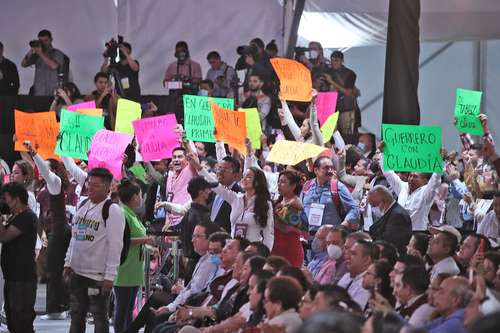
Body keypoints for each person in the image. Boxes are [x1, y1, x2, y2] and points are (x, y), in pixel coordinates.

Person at [63, 167, 126, 333]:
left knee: (99, 317)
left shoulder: (112, 210)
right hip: (77, 272)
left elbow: (115, 245)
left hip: (97, 276)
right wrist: (68, 262)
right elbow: (74, 237)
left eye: (95, 185)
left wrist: (110, 275)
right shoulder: (83, 205)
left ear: (107, 187)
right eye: (89, 184)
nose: (90, 188)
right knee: (76, 315)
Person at [26, 141, 72, 320]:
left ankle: (57, 309)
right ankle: (58, 307)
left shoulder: (55, 182)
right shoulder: (45, 185)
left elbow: (45, 171)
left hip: (59, 230)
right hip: (52, 230)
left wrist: (33, 153)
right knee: (52, 269)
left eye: (46, 165)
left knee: (54, 269)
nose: (41, 168)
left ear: (52, 169)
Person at [190, 153, 274, 250]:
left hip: (252, 252)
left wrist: (265, 254)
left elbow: (269, 235)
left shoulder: (265, 204)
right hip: (233, 250)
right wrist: (198, 167)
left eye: (249, 177)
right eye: (244, 176)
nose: (244, 179)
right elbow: (216, 186)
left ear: (258, 181)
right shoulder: (235, 198)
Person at [114, 179, 155, 333]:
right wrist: (146, 240)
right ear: (133, 197)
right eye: (140, 195)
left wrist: (147, 245)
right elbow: (121, 240)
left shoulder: (131, 214)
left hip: (134, 267)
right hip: (124, 267)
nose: (142, 198)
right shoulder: (123, 213)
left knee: (129, 308)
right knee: (122, 309)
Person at [0, 182, 38, 333]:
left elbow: (4, 237)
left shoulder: (27, 217)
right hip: (13, 277)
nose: (4, 202)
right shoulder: (16, 216)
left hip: (22, 279)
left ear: (16, 199)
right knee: (13, 322)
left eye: (6, 198)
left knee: (21, 323)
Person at [379, 143, 442, 231]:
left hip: (417, 233)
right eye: (410, 176)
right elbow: (388, 173)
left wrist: (440, 160)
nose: (411, 179)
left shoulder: (427, 192)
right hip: (398, 231)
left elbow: (435, 180)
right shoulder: (403, 187)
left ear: (425, 181)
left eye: (415, 176)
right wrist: (383, 153)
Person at [301, 156, 359, 229]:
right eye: (326, 168)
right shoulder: (307, 186)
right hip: (309, 236)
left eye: (331, 167)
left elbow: (353, 209)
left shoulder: (338, 187)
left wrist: (342, 226)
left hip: (330, 237)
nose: (330, 170)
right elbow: (301, 209)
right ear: (316, 170)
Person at [323, 50, 360, 143]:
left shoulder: (350, 74)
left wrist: (331, 82)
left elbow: (348, 92)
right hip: (330, 107)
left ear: (342, 61)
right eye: (332, 60)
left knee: (347, 135)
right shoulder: (328, 71)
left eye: (336, 60)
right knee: (328, 134)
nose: (333, 63)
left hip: (346, 107)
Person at [272, 170, 307, 267]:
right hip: (275, 248)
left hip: (290, 249)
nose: (279, 184)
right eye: (278, 181)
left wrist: (272, 217)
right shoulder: (278, 201)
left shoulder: (296, 203)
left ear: (293, 186)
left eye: (283, 182)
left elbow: (286, 228)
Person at [21, 29, 68, 96]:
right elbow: (23, 64)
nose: (43, 43)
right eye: (41, 41)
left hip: (53, 93)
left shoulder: (57, 53)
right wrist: (31, 49)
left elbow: (54, 66)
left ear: (51, 40)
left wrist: (40, 53)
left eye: (45, 41)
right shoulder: (37, 55)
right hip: (38, 92)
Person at [367, 185, 412, 254]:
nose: (373, 209)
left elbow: (389, 241)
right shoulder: (390, 212)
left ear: (382, 202)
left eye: (373, 205)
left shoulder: (398, 216)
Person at [337, 240, 377, 309]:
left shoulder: (367, 284)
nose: (348, 257)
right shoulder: (346, 276)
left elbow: (354, 314)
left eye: (353, 254)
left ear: (366, 260)